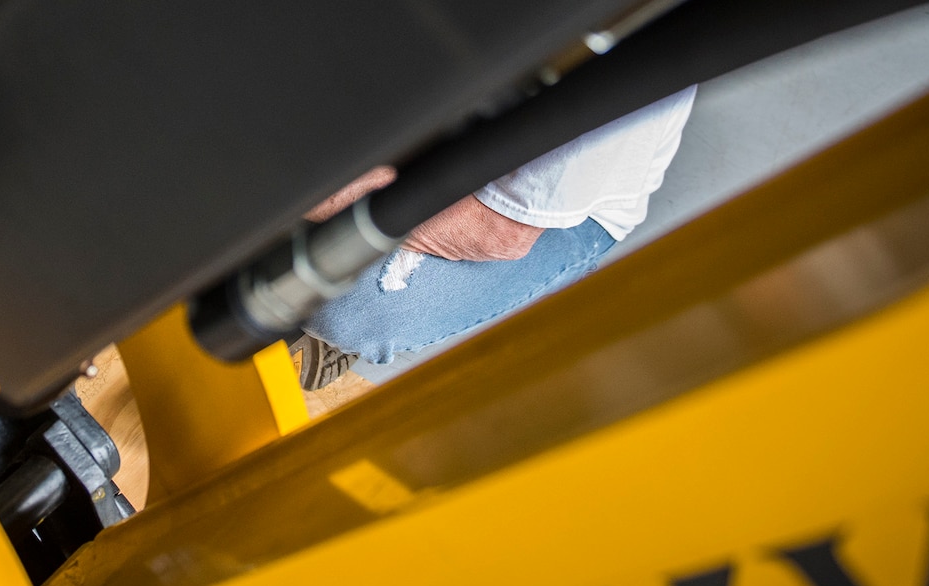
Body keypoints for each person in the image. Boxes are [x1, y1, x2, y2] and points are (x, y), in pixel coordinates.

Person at [294, 87, 698, 389]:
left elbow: (499, 231)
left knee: (343, 299)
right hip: (449, 118)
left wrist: (307, 196)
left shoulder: (617, 54)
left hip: (530, 218)